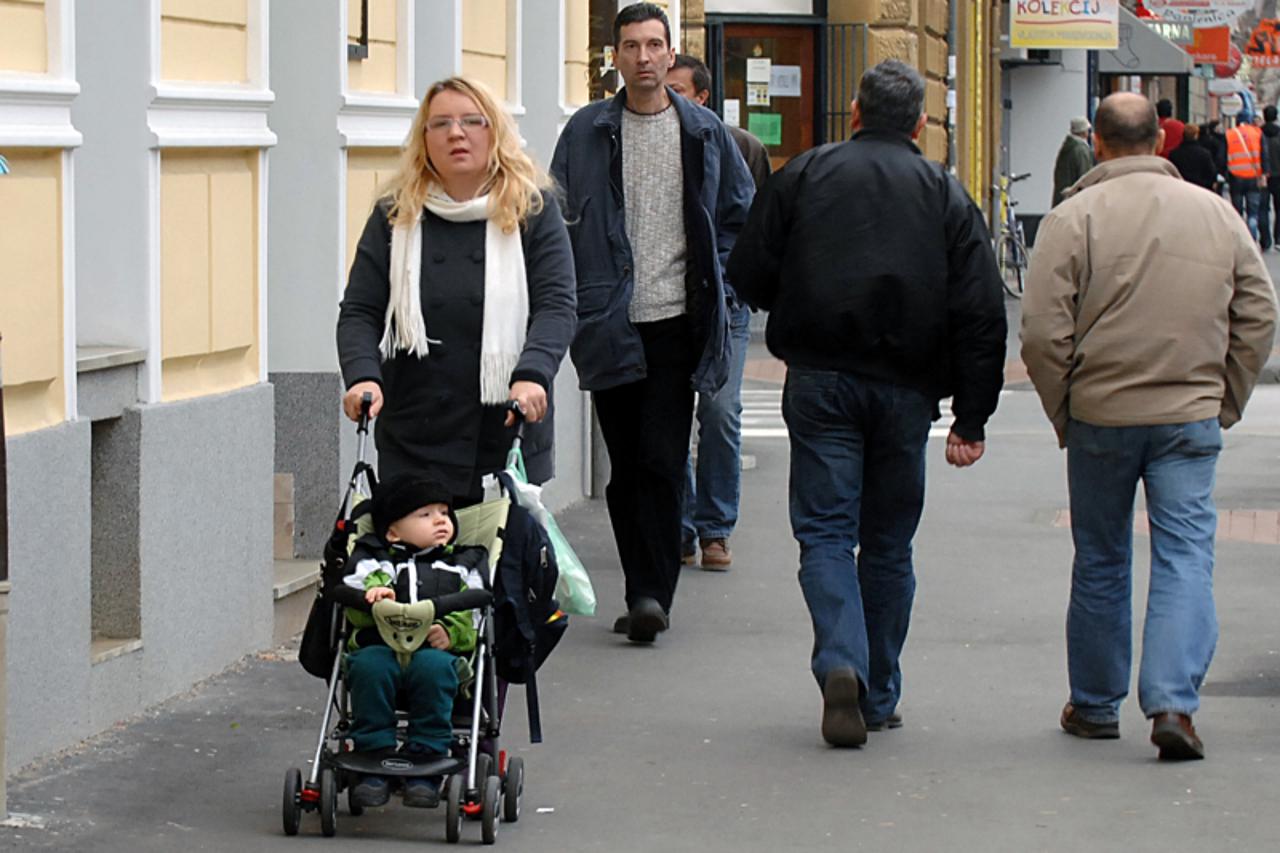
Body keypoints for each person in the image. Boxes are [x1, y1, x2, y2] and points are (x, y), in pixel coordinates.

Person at [727, 59, 1007, 747]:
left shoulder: (807, 172)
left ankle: (839, 659)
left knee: (825, 531)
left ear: (853, 112)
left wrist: (789, 302)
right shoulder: (944, 191)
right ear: (919, 124)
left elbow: (749, 267)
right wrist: (971, 415)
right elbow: (981, 311)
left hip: (821, 376)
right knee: (888, 542)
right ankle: (878, 688)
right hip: (908, 388)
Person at [1022, 92, 1278, 762]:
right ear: (1158, 144)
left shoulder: (1072, 217)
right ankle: (1173, 703)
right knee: (1186, 553)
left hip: (1102, 412)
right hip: (1188, 412)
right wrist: (1225, 395)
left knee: (1102, 556)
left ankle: (1096, 704)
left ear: (1099, 143)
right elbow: (1258, 311)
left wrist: (1064, 406)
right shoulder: (1217, 214)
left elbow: (1043, 331)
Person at [550, 3, 754, 643]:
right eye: (631, 46)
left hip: (676, 320)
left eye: (654, 45)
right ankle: (641, 580)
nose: (643, 56)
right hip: (609, 319)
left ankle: (650, 594)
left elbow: (738, 215)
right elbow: (553, 221)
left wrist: (718, 278)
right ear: (615, 57)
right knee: (626, 468)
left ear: (671, 55)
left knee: (663, 461)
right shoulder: (585, 133)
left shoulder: (703, 133)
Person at [337, 77, 577, 504]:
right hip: (417, 428)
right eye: (440, 124)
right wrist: (362, 377)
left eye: (472, 121)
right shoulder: (396, 214)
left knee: (502, 567)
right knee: (421, 569)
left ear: (495, 132)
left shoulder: (531, 209)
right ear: (424, 139)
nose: (456, 133)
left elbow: (557, 306)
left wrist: (533, 375)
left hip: (506, 422)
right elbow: (359, 309)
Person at [667, 52, 770, 571]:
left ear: (703, 97)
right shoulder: (650, 141)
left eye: (679, 90)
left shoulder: (739, 147)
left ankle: (715, 528)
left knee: (720, 411)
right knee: (671, 415)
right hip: (669, 301)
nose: (669, 98)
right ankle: (682, 525)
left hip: (724, 303)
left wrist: (733, 281)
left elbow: (752, 222)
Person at [333, 475, 486, 808]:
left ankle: (427, 761)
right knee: (367, 667)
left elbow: (474, 613)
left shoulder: (462, 564)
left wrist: (451, 632)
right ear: (393, 532)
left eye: (444, 513)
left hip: (432, 651)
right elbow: (353, 606)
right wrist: (371, 597)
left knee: (435, 671)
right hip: (380, 646)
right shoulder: (376, 562)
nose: (440, 520)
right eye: (425, 514)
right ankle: (372, 756)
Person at [1226, 110, 1267, 242]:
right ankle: (1252, 239)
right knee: (1253, 212)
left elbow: (1223, 157)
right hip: (1253, 177)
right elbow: (1264, 155)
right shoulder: (1258, 133)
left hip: (1235, 176)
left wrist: (1224, 175)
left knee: (1237, 212)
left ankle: (1239, 240)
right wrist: (1264, 174)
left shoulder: (1229, 134)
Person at [1052, 116, 1094, 208]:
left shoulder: (1067, 148)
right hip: (1076, 202)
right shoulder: (1081, 150)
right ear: (1084, 132)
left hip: (1064, 199)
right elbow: (1085, 176)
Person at [1168, 124, 1217, 191]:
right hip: (1200, 188)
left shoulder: (1174, 154)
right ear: (1196, 135)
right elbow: (1211, 173)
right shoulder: (1205, 154)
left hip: (1180, 188)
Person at [1263, 106, 1280, 250]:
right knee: (1279, 208)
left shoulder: (1257, 133)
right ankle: (1278, 238)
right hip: (1278, 176)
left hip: (1261, 174)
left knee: (1262, 208)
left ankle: (1265, 240)